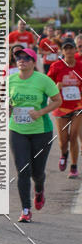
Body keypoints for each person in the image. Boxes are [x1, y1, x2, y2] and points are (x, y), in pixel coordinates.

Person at [8, 47, 61, 222]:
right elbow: (6, 102)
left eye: (26, 58)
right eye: (18, 57)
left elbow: (57, 100)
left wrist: (41, 112)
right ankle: (25, 209)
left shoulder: (43, 80)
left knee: (37, 172)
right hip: (17, 130)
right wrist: (7, 108)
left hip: (41, 132)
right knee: (23, 170)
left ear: (33, 62)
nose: (21, 60)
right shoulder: (10, 80)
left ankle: (39, 189)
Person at [47, 38, 82, 178]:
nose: (68, 51)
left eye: (71, 48)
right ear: (62, 51)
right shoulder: (56, 66)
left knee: (73, 136)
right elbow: (47, 85)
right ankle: (63, 154)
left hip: (78, 106)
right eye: (65, 48)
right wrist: (56, 87)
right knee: (63, 141)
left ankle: (73, 167)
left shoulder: (80, 65)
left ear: (75, 50)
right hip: (61, 107)